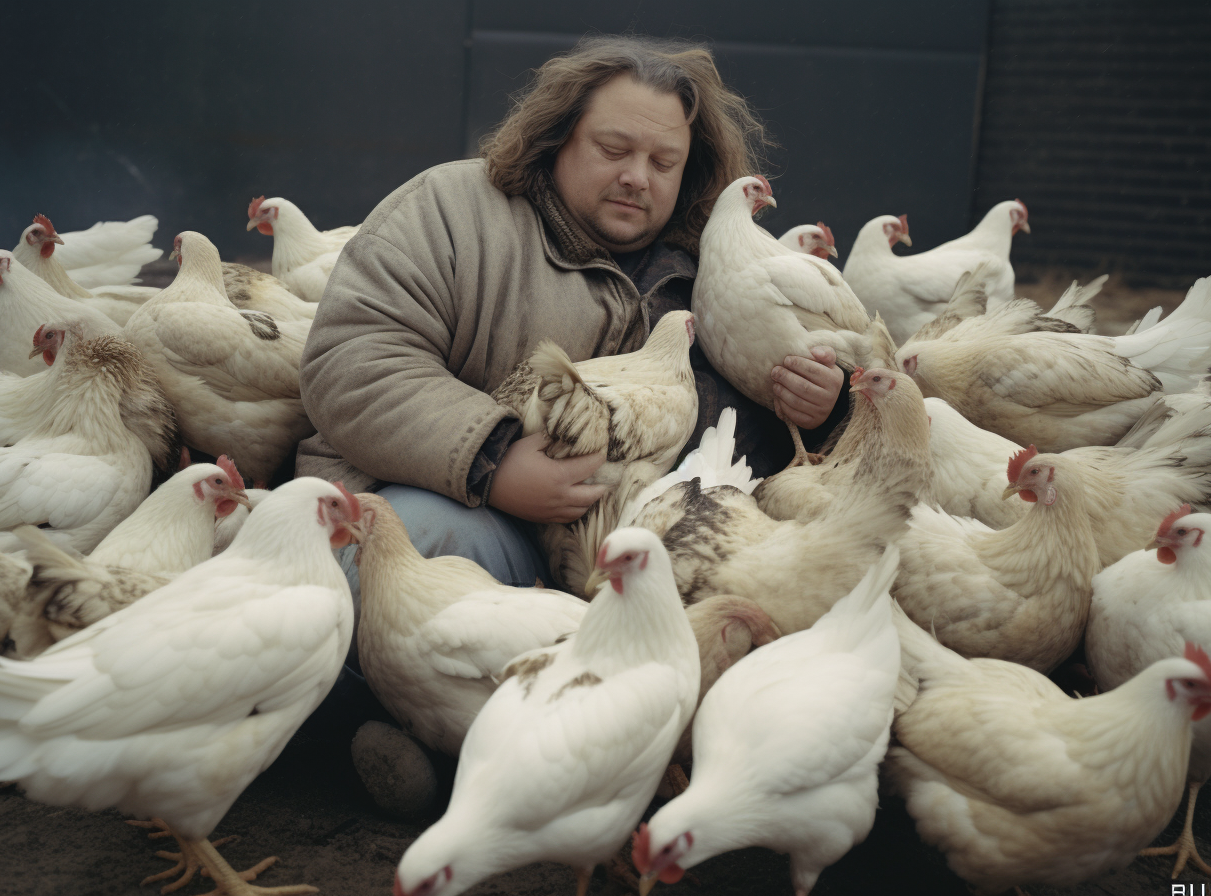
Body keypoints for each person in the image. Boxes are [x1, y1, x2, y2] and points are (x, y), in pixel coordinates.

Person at [298, 35, 848, 596]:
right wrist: (492, 461)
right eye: (614, 150)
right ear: (556, 136)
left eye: (664, 162)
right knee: (428, 536)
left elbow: (765, 448)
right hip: (468, 511)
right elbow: (353, 359)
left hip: (650, 559)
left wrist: (819, 408)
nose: (638, 176)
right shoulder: (451, 211)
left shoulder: (724, 272)